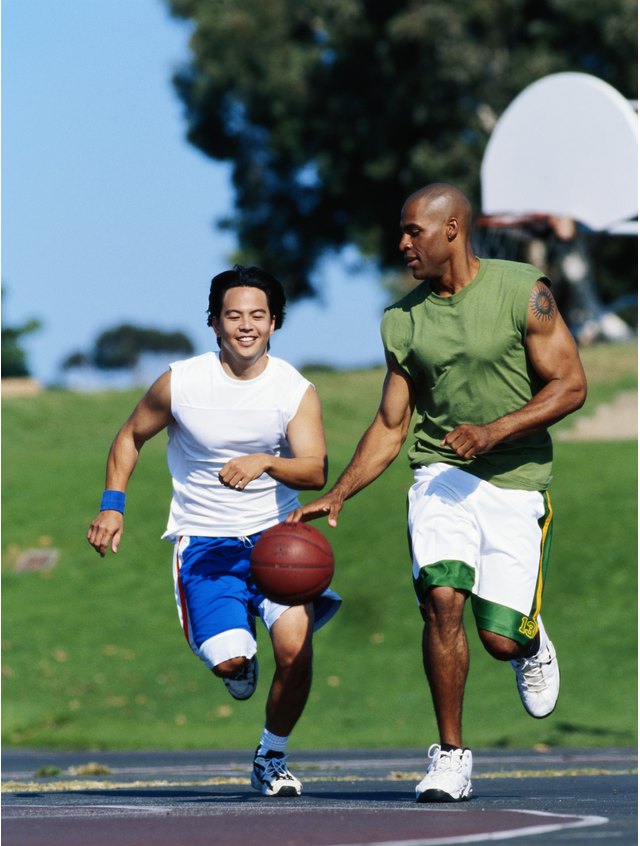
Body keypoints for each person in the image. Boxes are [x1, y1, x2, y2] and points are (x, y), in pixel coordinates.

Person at [289, 183, 587, 803]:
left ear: (451, 230)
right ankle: (451, 756)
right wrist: (341, 491)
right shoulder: (402, 320)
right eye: (400, 233)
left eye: (412, 232)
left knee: (499, 637)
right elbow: (393, 424)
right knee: (441, 599)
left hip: (515, 481)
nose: (402, 244)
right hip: (439, 475)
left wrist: (495, 430)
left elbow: (570, 385)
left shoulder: (522, 290)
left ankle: (529, 642)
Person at [87, 265, 340, 798]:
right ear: (214, 322)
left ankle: (272, 757)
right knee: (232, 657)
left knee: (295, 652)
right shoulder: (181, 382)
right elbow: (130, 437)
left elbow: (314, 470)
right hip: (204, 544)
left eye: (258, 316)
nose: (245, 326)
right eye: (233, 316)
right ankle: (235, 664)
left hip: (279, 543)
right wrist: (114, 506)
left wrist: (265, 462)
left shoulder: (294, 389)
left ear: (274, 323)